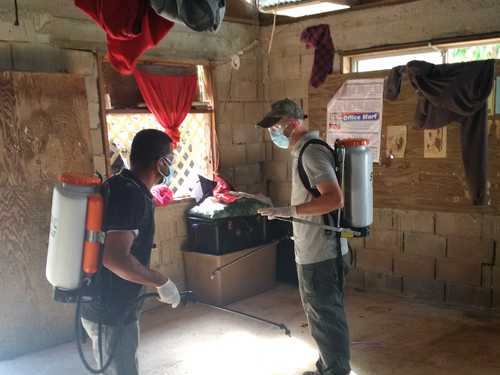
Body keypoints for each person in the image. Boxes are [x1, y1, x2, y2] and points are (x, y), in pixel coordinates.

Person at [257, 99, 351, 375]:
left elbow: (334, 199)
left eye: (276, 125)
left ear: (293, 123)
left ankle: (335, 371)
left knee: (325, 317)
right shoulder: (304, 151)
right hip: (316, 249)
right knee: (320, 316)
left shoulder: (311, 153)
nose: (272, 132)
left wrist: (289, 210)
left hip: (321, 252)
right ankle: (327, 366)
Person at [81, 129, 181, 375]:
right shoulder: (130, 195)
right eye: (171, 158)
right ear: (160, 163)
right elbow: (115, 258)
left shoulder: (119, 184)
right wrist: (161, 281)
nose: (172, 164)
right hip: (109, 309)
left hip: (109, 303)